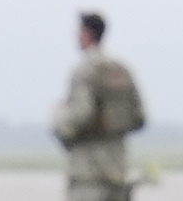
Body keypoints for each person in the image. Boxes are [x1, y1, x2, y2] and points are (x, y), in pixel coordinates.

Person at [53, 12, 143, 196]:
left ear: (86, 34)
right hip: (118, 170)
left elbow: (80, 115)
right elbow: (140, 117)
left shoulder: (85, 70)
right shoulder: (120, 69)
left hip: (88, 175)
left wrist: (59, 119)